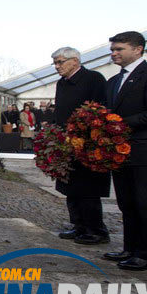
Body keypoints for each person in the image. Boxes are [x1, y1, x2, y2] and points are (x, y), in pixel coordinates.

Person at [103, 31, 147, 271]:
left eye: (119, 49)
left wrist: (119, 124)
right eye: (112, 49)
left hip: (145, 151)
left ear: (138, 49)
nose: (114, 53)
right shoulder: (113, 81)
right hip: (120, 152)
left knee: (146, 203)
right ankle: (130, 248)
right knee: (127, 203)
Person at [51, 47, 110, 245]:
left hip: (87, 142)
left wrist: (84, 133)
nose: (57, 67)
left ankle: (96, 229)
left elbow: (100, 110)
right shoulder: (61, 83)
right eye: (56, 63)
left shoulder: (94, 79)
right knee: (71, 186)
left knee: (88, 188)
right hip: (66, 142)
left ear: (75, 60)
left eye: (60, 62)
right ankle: (78, 225)